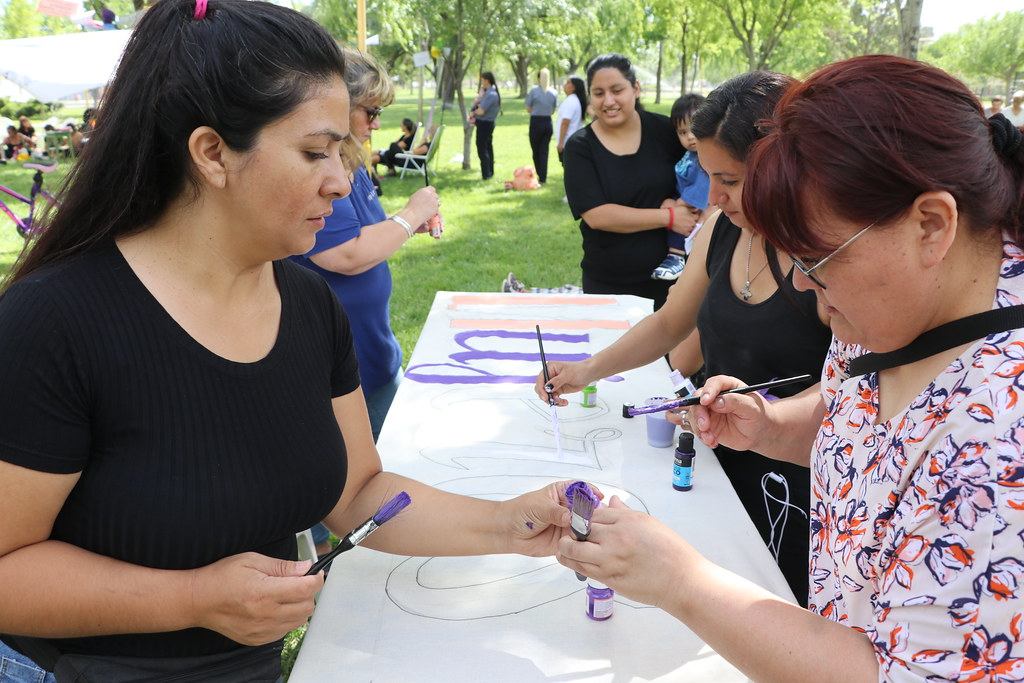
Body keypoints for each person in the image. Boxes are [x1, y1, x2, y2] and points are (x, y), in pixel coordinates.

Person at [0, 2, 572, 681]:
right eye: (314, 152)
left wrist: (512, 522)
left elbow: (359, 492)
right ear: (212, 152)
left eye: (342, 151)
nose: (341, 178)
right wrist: (190, 599)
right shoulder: (57, 321)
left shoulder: (307, 307)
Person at [557, 54, 1024, 681]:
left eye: (817, 259)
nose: (803, 289)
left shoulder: (1003, 432)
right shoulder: (898, 305)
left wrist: (681, 581)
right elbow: (853, 411)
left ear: (932, 225)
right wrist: (773, 425)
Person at [542, 71, 833, 605]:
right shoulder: (725, 229)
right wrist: (586, 370)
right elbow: (670, 322)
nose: (714, 198)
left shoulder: (827, 254)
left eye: (730, 180)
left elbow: (855, 383)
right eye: (707, 176)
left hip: (798, 487)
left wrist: (768, 419)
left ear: (783, 167)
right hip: (719, 468)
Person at [290, 48, 440, 556]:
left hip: (371, 356)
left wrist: (399, 228)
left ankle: (345, 553)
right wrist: (412, 215)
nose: (377, 122)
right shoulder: (327, 172)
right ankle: (313, 560)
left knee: (373, 469)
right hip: (335, 368)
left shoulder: (352, 165)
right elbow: (344, 254)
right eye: (369, 111)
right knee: (332, 484)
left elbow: (366, 237)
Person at [562, 53, 689, 309]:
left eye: (617, 90)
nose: (608, 101)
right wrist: (669, 217)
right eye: (598, 93)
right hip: (609, 283)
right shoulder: (579, 147)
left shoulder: (665, 131)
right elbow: (597, 216)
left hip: (674, 281)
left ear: (636, 89)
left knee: (672, 350)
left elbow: (701, 171)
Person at [651, 94, 715, 281]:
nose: (690, 137)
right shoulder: (691, 154)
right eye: (682, 132)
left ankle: (676, 256)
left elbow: (702, 188)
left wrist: (678, 204)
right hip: (685, 196)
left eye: (694, 129)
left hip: (695, 204)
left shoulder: (704, 158)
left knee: (681, 224)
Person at [524, 68, 558, 185]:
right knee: (544, 150)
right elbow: (553, 110)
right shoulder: (554, 92)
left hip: (536, 122)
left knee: (535, 150)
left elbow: (528, 108)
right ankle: (543, 177)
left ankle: (539, 172)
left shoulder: (533, 92)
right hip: (547, 122)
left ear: (538, 78)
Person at [471, 71, 500, 180]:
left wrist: (475, 110)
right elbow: (477, 104)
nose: (481, 83)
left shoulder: (491, 95)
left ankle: (486, 173)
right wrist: (479, 96)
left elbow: (481, 111)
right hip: (485, 123)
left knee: (482, 148)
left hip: (485, 124)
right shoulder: (487, 93)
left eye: (482, 80)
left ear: (487, 81)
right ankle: (489, 171)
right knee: (488, 147)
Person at [555, 76, 587, 162]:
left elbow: (565, 122)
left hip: (567, 142)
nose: (565, 84)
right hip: (573, 141)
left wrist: (561, 143)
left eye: (568, 82)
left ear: (574, 87)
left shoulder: (570, 101)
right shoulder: (576, 100)